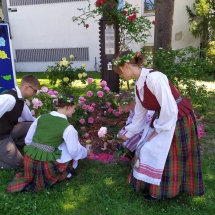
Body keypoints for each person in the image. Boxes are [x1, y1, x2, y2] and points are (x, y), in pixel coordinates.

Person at [112, 51, 205, 201]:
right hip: (164, 117)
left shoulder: (154, 78)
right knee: (153, 149)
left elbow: (170, 109)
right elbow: (140, 116)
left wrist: (158, 130)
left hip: (177, 118)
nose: (120, 76)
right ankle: (155, 187)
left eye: (119, 72)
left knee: (168, 154)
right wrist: (127, 134)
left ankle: (163, 190)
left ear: (126, 66)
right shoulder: (138, 86)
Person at [7, 94, 92, 192]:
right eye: (73, 108)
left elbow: (28, 140)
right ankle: (66, 174)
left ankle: (32, 173)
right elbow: (74, 151)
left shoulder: (41, 117)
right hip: (45, 166)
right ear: (68, 107)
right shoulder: (68, 128)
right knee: (69, 150)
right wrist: (85, 152)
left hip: (29, 161)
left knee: (62, 145)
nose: (74, 111)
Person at [0, 75, 40, 170]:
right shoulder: (10, 98)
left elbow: (29, 118)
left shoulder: (20, 99)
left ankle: (11, 149)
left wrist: (43, 121)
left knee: (33, 126)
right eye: (35, 90)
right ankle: (5, 153)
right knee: (19, 164)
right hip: (1, 137)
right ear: (26, 87)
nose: (35, 93)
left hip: (8, 131)